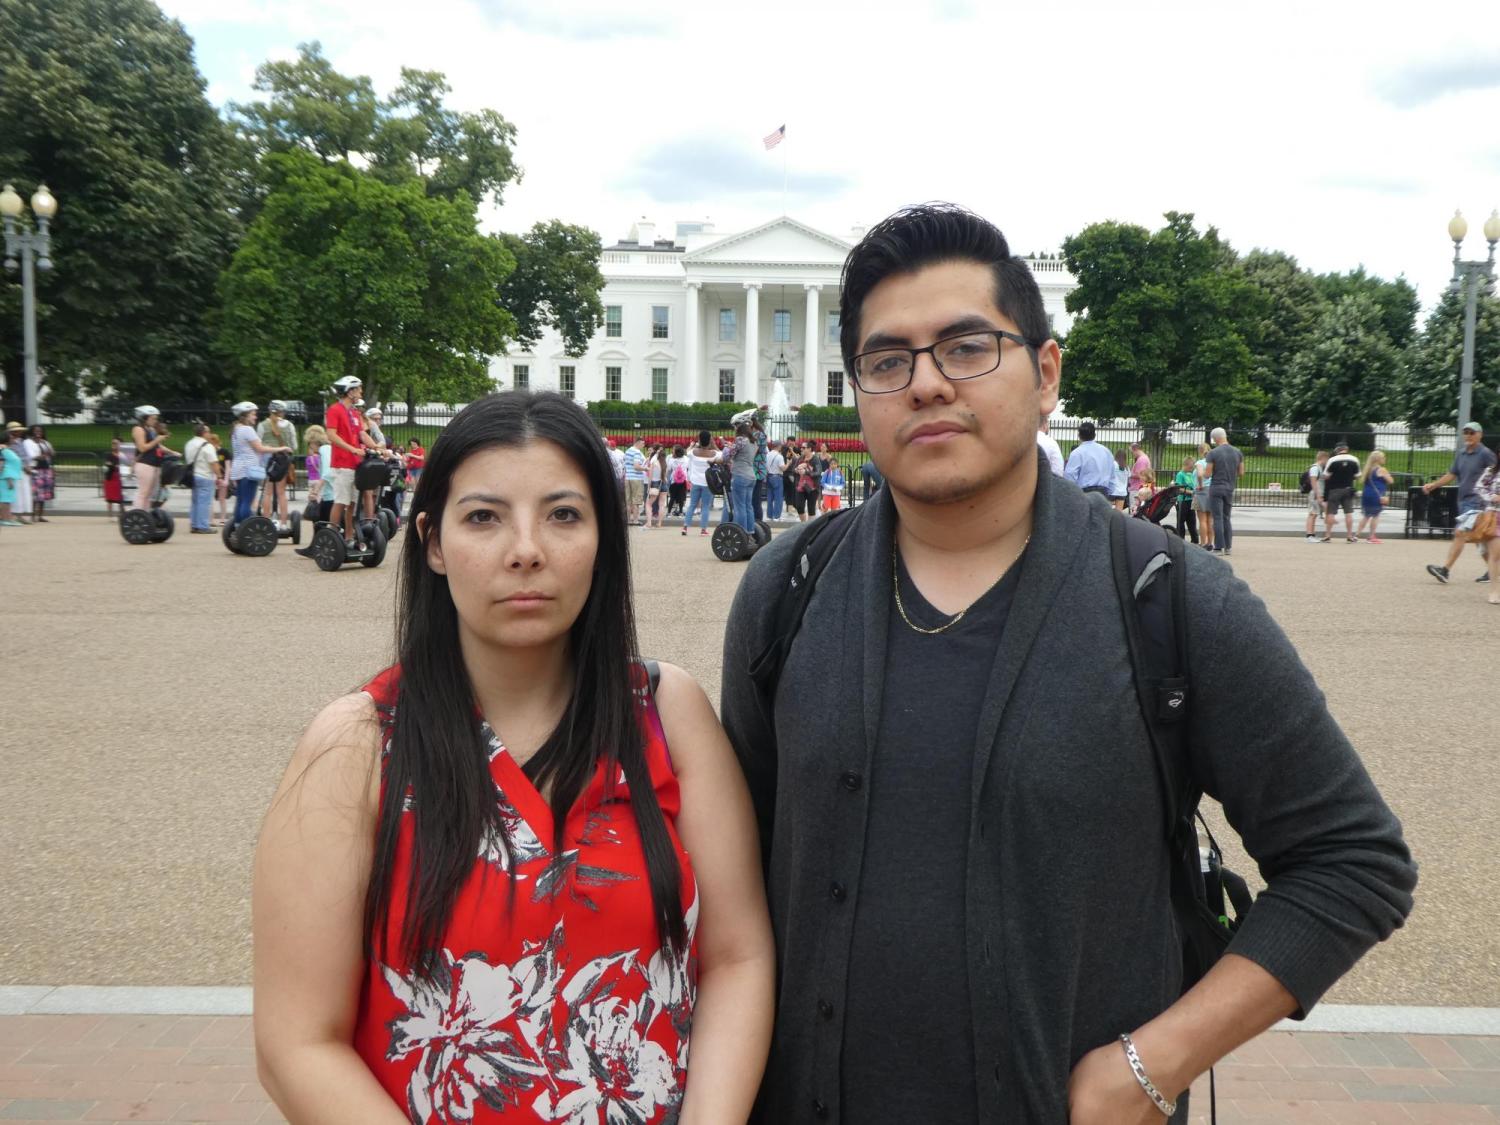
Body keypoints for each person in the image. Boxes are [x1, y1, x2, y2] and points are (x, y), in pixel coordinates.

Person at [719, 203, 1415, 1124]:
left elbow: (1353, 860)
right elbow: (740, 883)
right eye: (887, 362)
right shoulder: (787, 590)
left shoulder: (1169, 598)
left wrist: (1153, 1064)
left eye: (967, 347)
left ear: (1046, 373)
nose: (925, 384)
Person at [252, 390, 774, 1124]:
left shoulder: (667, 716)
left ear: (604, 536)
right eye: (483, 517)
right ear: (432, 542)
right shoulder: (359, 745)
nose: (526, 549)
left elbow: (737, 957)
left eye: (563, 514)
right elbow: (298, 1042)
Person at [1422, 422, 1497, 585]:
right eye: (1466, 432)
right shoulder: (1461, 453)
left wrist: (1492, 495)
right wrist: (1434, 485)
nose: (1468, 435)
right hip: (1463, 501)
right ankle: (1493, 571)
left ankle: (1445, 570)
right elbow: (1452, 474)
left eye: (1472, 433)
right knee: (1480, 541)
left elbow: (1496, 473)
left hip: (1478, 502)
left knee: (1460, 532)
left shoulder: (1485, 454)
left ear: (1480, 435)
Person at [325, 377, 375, 548]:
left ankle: (348, 537)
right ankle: (331, 536)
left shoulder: (354, 413)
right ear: (350, 391)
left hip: (355, 464)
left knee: (353, 503)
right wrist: (352, 449)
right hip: (341, 463)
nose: (361, 392)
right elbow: (331, 435)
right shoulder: (334, 410)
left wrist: (377, 447)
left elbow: (362, 434)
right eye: (358, 389)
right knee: (341, 501)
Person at [229, 403, 291, 526]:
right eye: (253, 414)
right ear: (245, 415)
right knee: (247, 501)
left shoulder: (236, 429)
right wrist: (281, 448)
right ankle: (246, 527)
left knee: (241, 500)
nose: (255, 417)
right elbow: (260, 448)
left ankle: (238, 526)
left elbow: (251, 447)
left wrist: (267, 447)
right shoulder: (247, 430)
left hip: (238, 469)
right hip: (249, 469)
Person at [127, 407, 176, 516]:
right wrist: (157, 440)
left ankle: (146, 515)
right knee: (143, 492)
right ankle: (137, 514)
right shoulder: (138, 429)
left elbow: (158, 446)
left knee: (150, 494)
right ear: (144, 418)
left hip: (155, 464)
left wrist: (172, 452)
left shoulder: (151, 430)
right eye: (153, 418)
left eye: (156, 418)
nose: (155, 421)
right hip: (145, 464)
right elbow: (142, 448)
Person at [258, 401, 299, 526]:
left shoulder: (262, 425)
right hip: (282, 460)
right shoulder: (289, 425)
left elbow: (258, 445)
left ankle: (266, 522)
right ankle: (283, 523)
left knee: (268, 492)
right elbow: (294, 446)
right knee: (281, 493)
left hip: (268, 460)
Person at [1205, 427, 1244, 554]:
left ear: (1215, 438)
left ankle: (1218, 547)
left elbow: (1207, 474)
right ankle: (1228, 547)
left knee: (1217, 517)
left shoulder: (1213, 453)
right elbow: (1241, 473)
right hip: (1229, 487)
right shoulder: (1237, 452)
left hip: (1216, 487)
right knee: (1226, 517)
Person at [1320, 443, 1361, 544]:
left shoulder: (1332, 460)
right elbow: (1358, 476)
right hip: (1348, 489)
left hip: (1334, 489)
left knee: (1331, 513)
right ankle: (1349, 536)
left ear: (1337, 450)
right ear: (1347, 449)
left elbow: (1326, 476)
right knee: (1348, 513)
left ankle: (1328, 536)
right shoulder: (1354, 459)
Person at [680, 431, 719, 536]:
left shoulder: (693, 452)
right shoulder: (714, 453)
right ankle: (703, 530)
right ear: (709, 440)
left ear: (700, 440)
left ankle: (685, 527)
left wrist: (693, 445)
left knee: (692, 505)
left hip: (695, 482)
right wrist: (714, 444)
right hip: (707, 483)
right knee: (705, 506)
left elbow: (687, 451)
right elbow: (721, 454)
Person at [183, 423, 220, 533]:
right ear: (204, 433)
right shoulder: (207, 446)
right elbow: (213, 463)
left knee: (195, 501)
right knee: (204, 502)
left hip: (192, 475)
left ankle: (194, 524)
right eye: (208, 432)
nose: (210, 434)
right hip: (205, 475)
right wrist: (219, 475)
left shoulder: (189, 443)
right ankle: (203, 526)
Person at [1063, 421, 1114, 499]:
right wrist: (1111, 491)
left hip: (1085, 492)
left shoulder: (1077, 453)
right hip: (1103, 491)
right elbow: (1112, 473)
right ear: (1095, 435)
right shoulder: (1106, 451)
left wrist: (1071, 492)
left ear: (1079, 436)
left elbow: (1070, 475)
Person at [725, 423, 758, 533]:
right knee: (748, 506)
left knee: (739, 507)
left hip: (740, 475)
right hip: (751, 476)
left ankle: (742, 533)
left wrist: (727, 448)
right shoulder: (753, 442)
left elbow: (728, 456)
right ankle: (750, 532)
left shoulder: (740, 440)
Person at [1357, 451, 1394, 544]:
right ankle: (1371, 536)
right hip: (1376, 495)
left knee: (1366, 516)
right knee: (1375, 515)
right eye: (1383, 457)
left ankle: (1356, 535)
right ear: (1378, 459)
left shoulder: (1368, 469)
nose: (1385, 459)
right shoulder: (1381, 470)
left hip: (1367, 493)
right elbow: (1391, 481)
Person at [27, 424, 54, 522]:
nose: (38, 433)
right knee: (36, 493)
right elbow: (31, 456)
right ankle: (32, 515)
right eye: (36, 431)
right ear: (32, 432)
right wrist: (41, 456)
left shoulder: (45, 442)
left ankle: (40, 516)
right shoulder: (29, 442)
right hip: (36, 469)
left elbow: (52, 453)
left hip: (46, 469)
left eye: (40, 431)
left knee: (44, 493)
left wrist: (46, 445)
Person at [1191, 441, 1213, 550]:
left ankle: (1203, 543)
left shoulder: (1200, 462)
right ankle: (1210, 543)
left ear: (1200, 451)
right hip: (1212, 491)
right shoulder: (1212, 463)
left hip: (1202, 491)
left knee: (1202, 520)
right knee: (1210, 520)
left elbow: (1200, 475)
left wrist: (1200, 485)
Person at [1303, 450, 1328, 542]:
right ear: (1323, 458)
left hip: (1316, 493)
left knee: (1314, 514)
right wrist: (1318, 495)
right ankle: (1309, 535)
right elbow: (1313, 482)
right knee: (1312, 514)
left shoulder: (1318, 468)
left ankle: (1311, 534)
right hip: (1315, 493)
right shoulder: (1315, 468)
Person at [301, 424, 329, 506]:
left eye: (309, 443)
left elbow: (326, 473)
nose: (310, 446)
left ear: (314, 442)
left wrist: (316, 491)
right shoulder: (326, 449)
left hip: (328, 494)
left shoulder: (323, 450)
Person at [1173, 456, 1198, 543]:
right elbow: (1178, 488)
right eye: (1190, 467)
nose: (1191, 469)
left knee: (1192, 521)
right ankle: (1180, 540)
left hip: (1190, 500)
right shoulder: (1180, 474)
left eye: (1192, 467)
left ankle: (1195, 540)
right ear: (1185, 465)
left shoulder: (1190, 474)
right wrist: (1190, 492)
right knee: (1181, 521)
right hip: (1182, 501)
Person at [624, 436, 649, 525]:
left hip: (627, 477)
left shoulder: (628, 451)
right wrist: (646, 469)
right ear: (638, 442)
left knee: (628, 501)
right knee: (636, 501)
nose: (643, 445)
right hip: (636, 478)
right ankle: (635, 520)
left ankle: (628, 520)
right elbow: (636, 466)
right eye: (643, 443)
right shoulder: (637, 452)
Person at [0, 428, 22, 526]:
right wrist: (8, 479)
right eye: (11, 437)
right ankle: (5, 519)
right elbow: (2, 465)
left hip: (9, 477)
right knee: (5, 499)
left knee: (7, 499)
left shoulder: (6, 449)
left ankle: (7, 518)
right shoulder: (3, 448)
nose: (13, 438)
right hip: (6, 478)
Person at [102, 437, 126, 518]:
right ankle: (110, 515)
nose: (114, 445)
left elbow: (126, 464)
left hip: (120, 477)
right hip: (111, 478)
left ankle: (122, 514)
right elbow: (108, 464)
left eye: (116, 443)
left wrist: (114, 465)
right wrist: (115, 466)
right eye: (113, 443)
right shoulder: (109, 455)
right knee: (110, 498)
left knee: (121, 497)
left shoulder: (123, 455)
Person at [645, 444, 668, 528]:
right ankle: (659, 523)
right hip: (663, 483)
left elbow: (650, 475)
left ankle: (649, 522)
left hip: (655, 483)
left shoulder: (654, 462)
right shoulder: (665, 463)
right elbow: (665, 475)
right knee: (662, 504)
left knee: (648, 504)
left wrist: (648, 486)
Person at [212, 432, 230, 527]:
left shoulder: (224, 452)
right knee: (211, 499)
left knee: (222, 498)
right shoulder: (210, 452)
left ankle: (222, 519)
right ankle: (211, 519)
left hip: (222, 477)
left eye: (214, 443)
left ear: (218, 442)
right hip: (212, 477)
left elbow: (228, 467)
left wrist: (226, 479)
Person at [765, 441, 786, 521]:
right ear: (778, 446)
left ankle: (769, 515)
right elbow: (782, 468)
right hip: (777, 477)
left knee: (770, 497)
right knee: (778, 498)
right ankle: (777, 516)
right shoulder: (779, 456)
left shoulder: (767, 455)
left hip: (769, 476)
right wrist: (788, 463)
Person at [666, 444, 689, 517]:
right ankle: (681, 512)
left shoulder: (672, 460)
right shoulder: (686, 459)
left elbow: (669, 469)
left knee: (672, 497)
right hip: (683, 480)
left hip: (674, 480)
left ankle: (669, 513)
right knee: (681, 497)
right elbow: (688, 467)